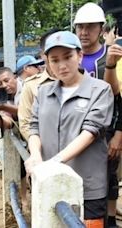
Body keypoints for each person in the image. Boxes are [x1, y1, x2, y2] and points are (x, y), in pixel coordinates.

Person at [25, 31, 114, 227]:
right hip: (49, 182)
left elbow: (90, 132)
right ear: (47, 62)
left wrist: (54, 162)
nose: (62, 65)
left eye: (68, 57)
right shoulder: (44, 92)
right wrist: (35, 156)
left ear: (79, 56)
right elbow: (34, 128)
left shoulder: (100, 90)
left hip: (87, 187)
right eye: (54, 60)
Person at [73, 3, 122, 227]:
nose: (84, 32)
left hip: (107, 131)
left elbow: (118, 98)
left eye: (90, 27)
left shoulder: (110, 57)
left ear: (101, 29)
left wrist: (118, 135)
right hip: (76, 132)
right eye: (79, 27)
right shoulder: (70, 58)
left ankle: (109, 221)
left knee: (108, 180)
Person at [18, 28, 60, 141]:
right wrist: (41, 148)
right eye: (51, 50)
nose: (57, 55)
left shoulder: (81, 82)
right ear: (42, 54)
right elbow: (25, 124)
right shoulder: (31, 85)